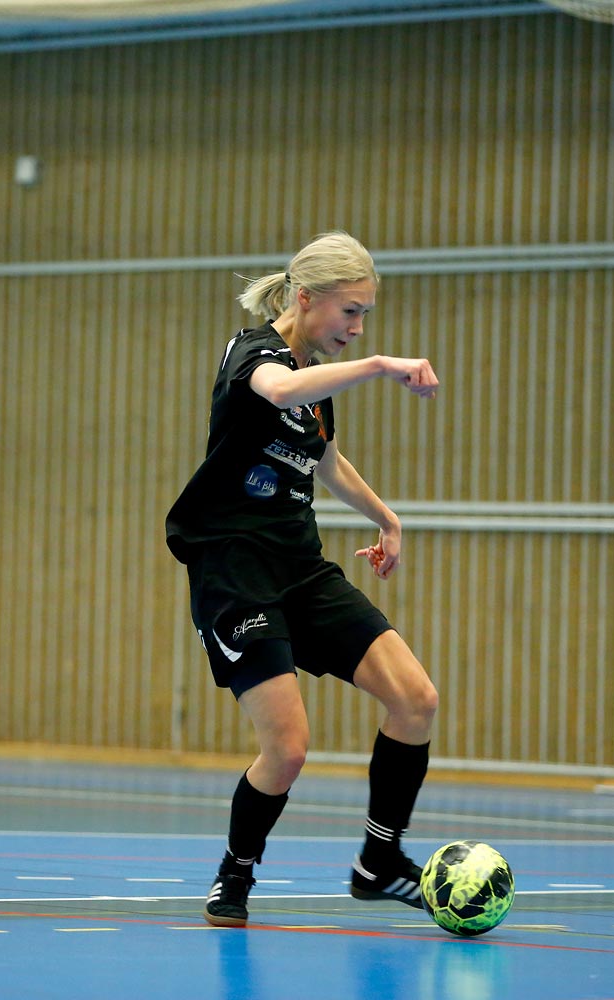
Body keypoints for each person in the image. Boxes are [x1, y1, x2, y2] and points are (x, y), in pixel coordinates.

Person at [165, 231, 440, 927]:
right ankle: (236, 874)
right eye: (351, 312)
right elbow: (280, 389)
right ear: (307, 299)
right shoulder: (255, 353)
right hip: (234, 570)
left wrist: (387, 518)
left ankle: (378, 863)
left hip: (299, 566)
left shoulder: (318, 386)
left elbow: (325, 459)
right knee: (286, 749)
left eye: (366, 316)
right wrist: (380, 365)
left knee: (415, 699)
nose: (358, 328)